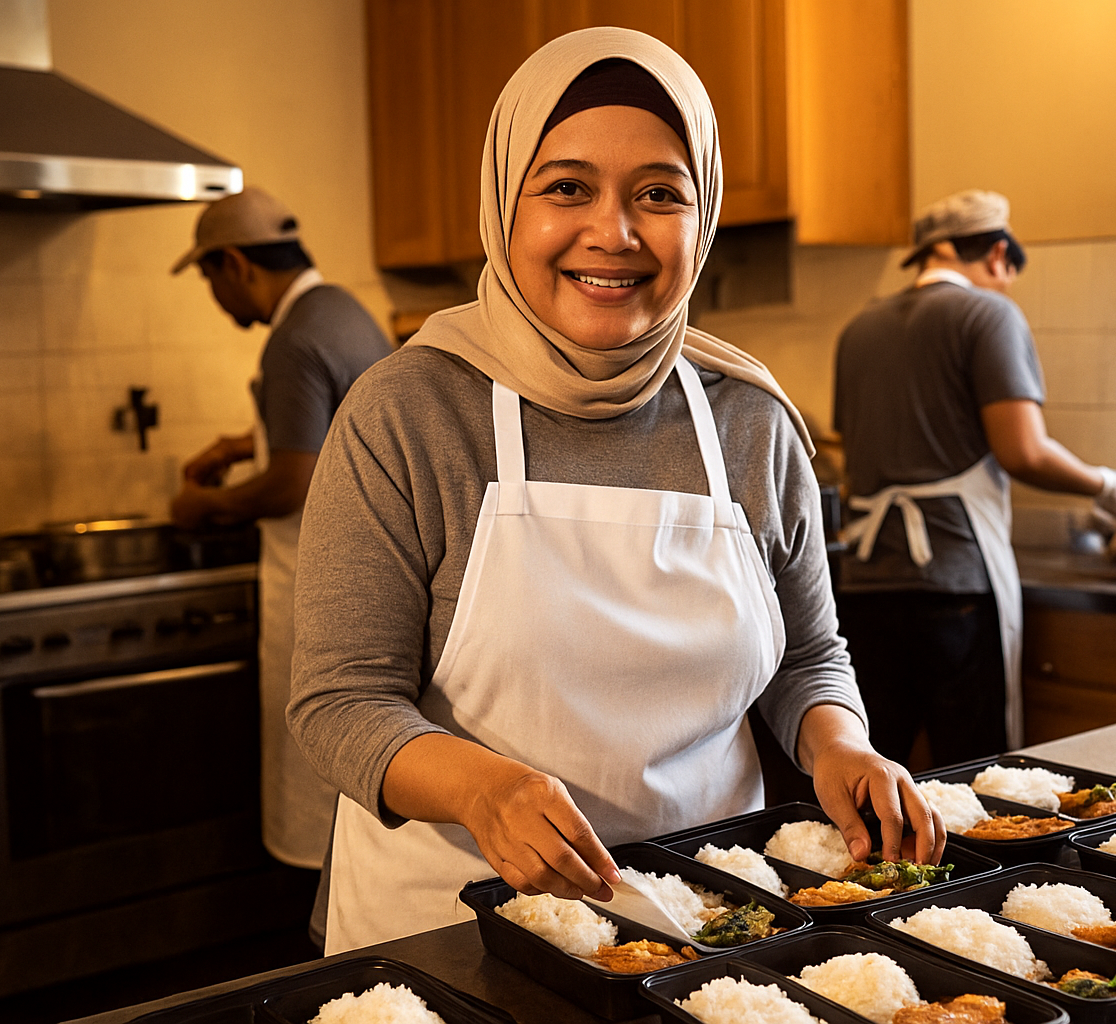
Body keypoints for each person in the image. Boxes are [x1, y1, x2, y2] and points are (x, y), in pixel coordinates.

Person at [288, 27, 944, 954]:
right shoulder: (407, 412)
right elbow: (340, 701)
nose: (615, 231)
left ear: (702, 213)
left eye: (659, 194)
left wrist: (840, 745)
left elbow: (807, 657)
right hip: (448, 938)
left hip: (714, 925)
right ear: (506, 202)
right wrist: (485, 789)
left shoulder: (751, 421)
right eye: (566, 188)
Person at [831, 189, 1116, 768]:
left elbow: (853, 456)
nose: (1006, 287)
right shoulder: (988, 313)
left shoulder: (859, 328)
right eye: (1008, 274)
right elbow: (1024, 452)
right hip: (955, 582)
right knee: (974, 774)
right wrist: (1108, 487)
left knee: (874, 777)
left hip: (866, 584)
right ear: (999, 253)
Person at [169, 187, 392, 870]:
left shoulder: (291, 341)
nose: (215, 296)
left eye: (209, 277)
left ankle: (321, 937)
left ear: (234, 264)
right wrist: (246, 443)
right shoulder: (346, 313)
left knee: (321, 768)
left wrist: (202, 506)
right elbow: (330, 428)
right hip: (380, 577)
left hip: (316, 582)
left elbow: (295, 481)